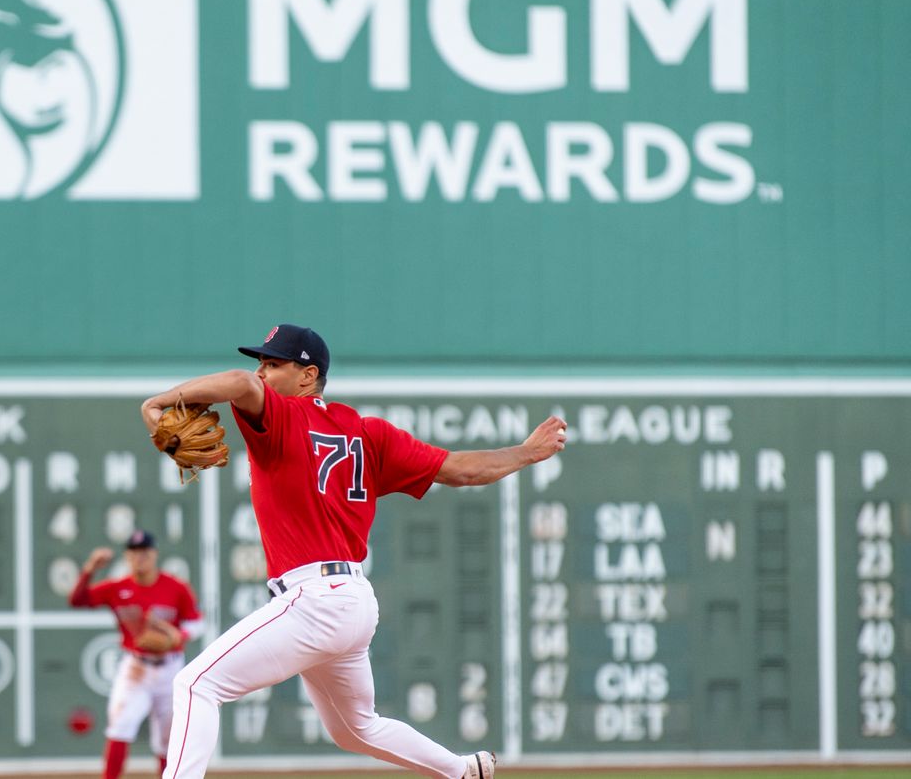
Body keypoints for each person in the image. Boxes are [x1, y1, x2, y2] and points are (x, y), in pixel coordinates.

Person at [142, 324, 567, 779]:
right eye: (261, 363)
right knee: (355, 728)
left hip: (315, 599)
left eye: (272, 364)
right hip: (354, 602)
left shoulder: (282, 417)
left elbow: (239, 384)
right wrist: (524, 453)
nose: (260, 373)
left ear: (308, 376)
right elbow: (460, 470)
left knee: (194, 685)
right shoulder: (369, 433)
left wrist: (158, 403)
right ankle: (463, 770)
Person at [69, 530, 204, 779]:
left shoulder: (175, 587)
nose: (139, 557)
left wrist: (178, 636)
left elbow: (197, 623)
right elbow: (77, 600)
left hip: (171, 669)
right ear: (127, 557)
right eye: (134, 553)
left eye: (145, 552)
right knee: (120, 727)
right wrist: (89, 569)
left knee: (167, 739)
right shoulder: (117, 588)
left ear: (154, 554)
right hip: (135, 668)